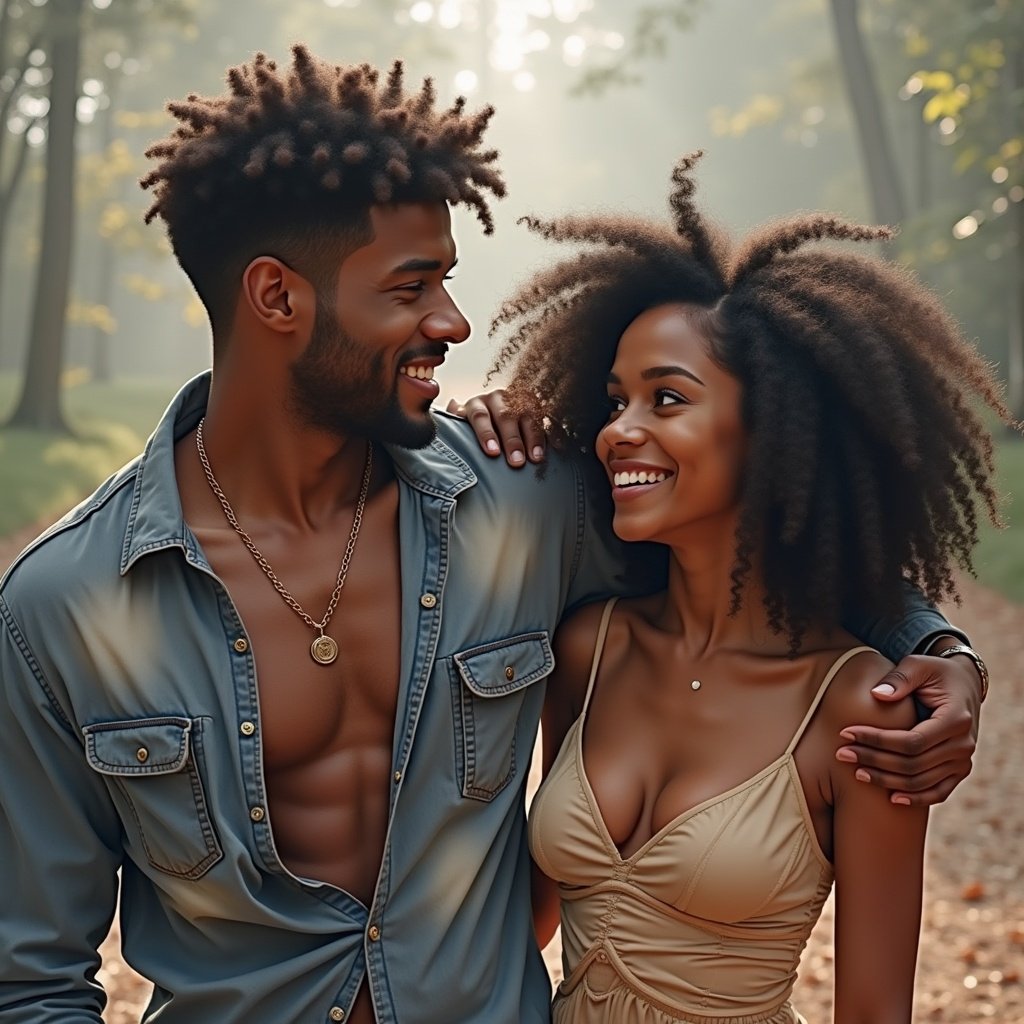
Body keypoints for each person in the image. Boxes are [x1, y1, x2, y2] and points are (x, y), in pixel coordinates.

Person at [0, 44, 984, 1024]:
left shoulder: (521, 508)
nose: (455, 323)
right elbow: (32, 979)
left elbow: (759, 539)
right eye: (410, 287)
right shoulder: (68, 608)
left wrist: (939, 650)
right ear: (277, 297)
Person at [473, 151, 1010, 1023]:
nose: (620, 432)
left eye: (666, 399)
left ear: (774, 435)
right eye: (615, 402)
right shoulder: (588, 647)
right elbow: (529, 921)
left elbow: (874, 1013)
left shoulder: (862, 709)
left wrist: (954, 656)